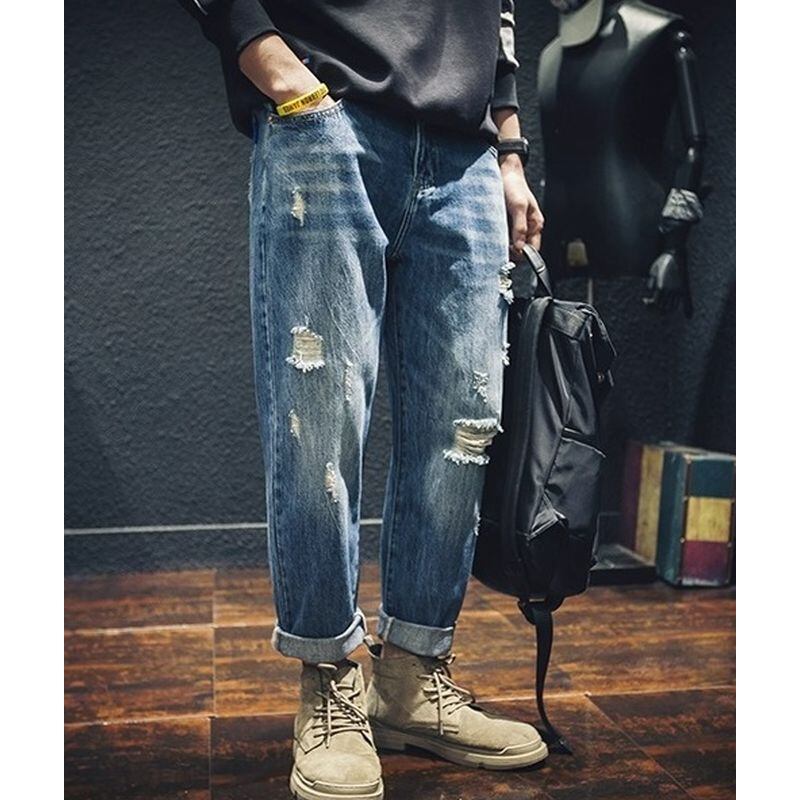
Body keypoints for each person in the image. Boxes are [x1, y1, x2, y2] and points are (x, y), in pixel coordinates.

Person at [178, 2, 547, 798]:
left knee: (462, 432)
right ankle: (329, 680)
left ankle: (412, 677)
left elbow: (500, 14)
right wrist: (278, 70)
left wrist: (510, 150)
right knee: (319, 424)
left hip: (468, 150)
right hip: (328, 116)